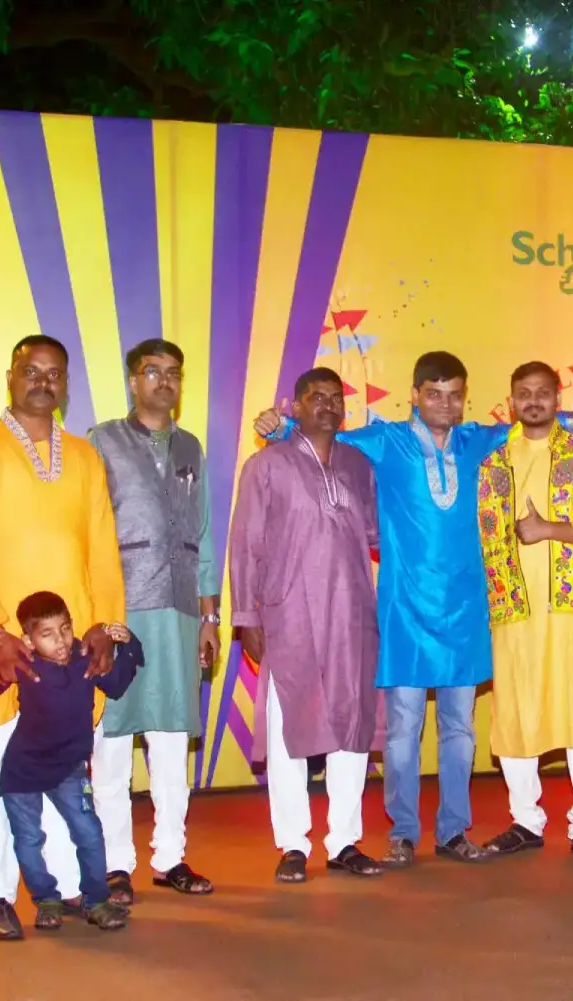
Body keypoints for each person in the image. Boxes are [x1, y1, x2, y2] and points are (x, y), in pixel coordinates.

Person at [254, 352, 573, 867]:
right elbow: (325, 434)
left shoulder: (477, 441)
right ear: (414, 396)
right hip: (405, 610)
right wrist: (279, 424)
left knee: (460, 730)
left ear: (464, 399)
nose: (445, 404)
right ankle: (402, 831)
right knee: (402, 731)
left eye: (454, 395)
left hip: (466, 610)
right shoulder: (385, 440)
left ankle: (453, 831)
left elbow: (531, 421)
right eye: (434, 394)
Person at [0, 334, 125, 941]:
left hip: (67, 655)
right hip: (6, 652)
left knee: (70, 773)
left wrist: (104, 626)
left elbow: (102, 547)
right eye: (31, 370)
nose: (43, 380)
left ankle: (73, 889)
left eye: (54, 373)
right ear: (10, 376)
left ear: (65, 385)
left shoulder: (84, 457)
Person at [230, 366, 386, 883]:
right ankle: (292, 843)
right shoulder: (267, 465)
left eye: (334, 398)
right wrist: (247, 615)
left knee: (351, 726)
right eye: (314, 397)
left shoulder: (358, 466)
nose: (326, 405)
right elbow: (246, 543)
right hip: (289, 614)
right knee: (287, 730)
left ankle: (344, 840)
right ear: (294, 407)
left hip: (350, 615)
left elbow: (378, 535)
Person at [87, 339, 219, 903]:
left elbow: (206, 531)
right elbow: (88, 529)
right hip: (120, 610)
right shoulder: (101, 442)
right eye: (152, 372)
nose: (164, 382)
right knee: (112, 738)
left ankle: (171, 856)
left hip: (181, 610)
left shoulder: (191, 446)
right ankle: (116, 863)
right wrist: (95, 616)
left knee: (170, 739)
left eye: (173, 374)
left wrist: (212, 614)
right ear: (132, 382)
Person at [477, 363, 573, 863]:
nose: (534, 401)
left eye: (543, 393)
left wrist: (550, 530)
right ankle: (525, 820)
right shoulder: (493, 463)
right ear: (512, 401)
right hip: (513, 609)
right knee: (516, 715)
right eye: (524, 394)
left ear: (558, 399)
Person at [0, 593, 143, 931]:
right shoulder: (26, 668)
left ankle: (97, 902)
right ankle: (46, 901)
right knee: (29, 841)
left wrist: (130, 646)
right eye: (48, 634)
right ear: (29, 640)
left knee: (89, 833)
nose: (61, 641)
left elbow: (117, 686)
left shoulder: (83, 663)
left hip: (69, 770)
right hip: (23, 771)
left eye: (65, 628)